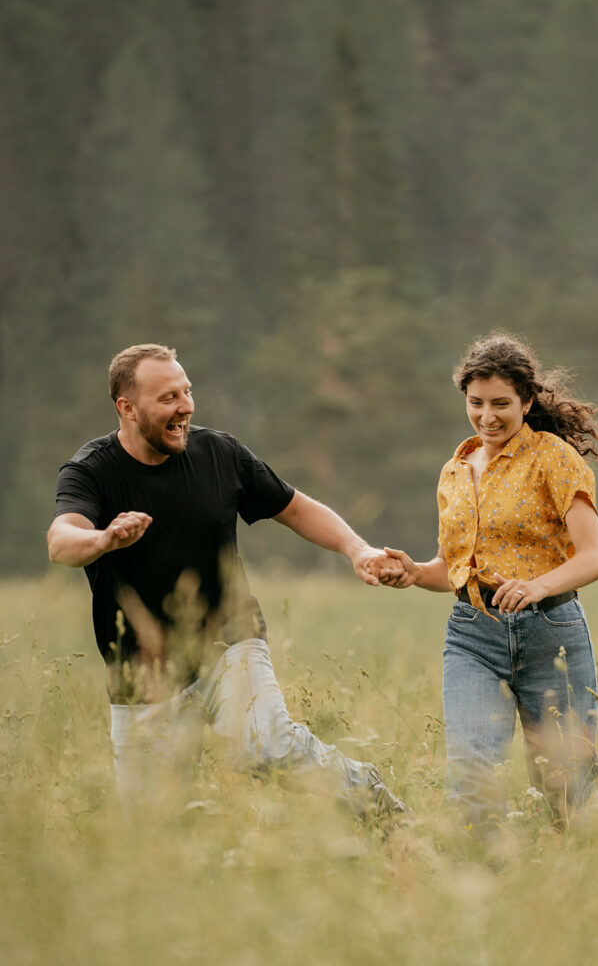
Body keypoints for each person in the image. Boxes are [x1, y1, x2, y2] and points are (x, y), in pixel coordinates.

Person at [47, 343, 408, 817]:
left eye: (187, 391)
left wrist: (357, 548)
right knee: (153, 829)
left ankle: (370, 796)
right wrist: (103, 540)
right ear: (127, 408)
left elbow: (295, 508)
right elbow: (60, 540)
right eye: (168, 398)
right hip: (142, 676)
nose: (186, 407)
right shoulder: (92, 470)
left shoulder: (219, 453)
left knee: (267, 745)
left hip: (227, 641)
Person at [383, 332, 598, 829]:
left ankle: (568, 887)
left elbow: (596, 557)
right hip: (472, 635)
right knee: (472, 775)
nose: (488, 416)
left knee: (567, 788)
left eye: (502, 403)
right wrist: (414, 572)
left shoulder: (551, 456)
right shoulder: (454, 470)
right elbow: (450, 570)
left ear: (527, 402)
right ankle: (480, 888)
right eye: (476, 402)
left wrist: (537, 586)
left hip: (551, 633)